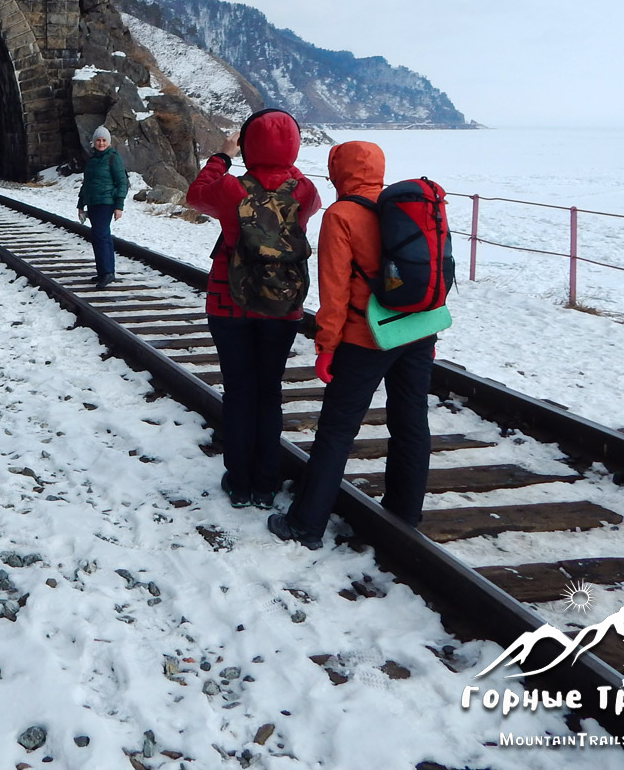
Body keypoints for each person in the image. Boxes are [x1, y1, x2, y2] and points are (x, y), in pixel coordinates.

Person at [268, 140, 436, 549]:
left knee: (336, 431)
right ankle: (404, 514)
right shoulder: (406, 207)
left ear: (340, 171)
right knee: (411, 422)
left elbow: (335, 292)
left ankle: (306, 525)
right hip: (416, 330)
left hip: (366, 337)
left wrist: (326, 346)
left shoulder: (341, 215)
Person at [185, 109, 320, 510]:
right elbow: (288, 188)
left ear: (247, 144)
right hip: (282, 306)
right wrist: (280, 162)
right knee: (269, 391)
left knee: (240, 391)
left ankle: (239, 482)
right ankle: (266, 483)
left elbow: (195, 194)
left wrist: (223, 157)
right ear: (293, 144)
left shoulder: (230, 189)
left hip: (229, 302)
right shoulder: (306, 190)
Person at [77, 125, 127, 290]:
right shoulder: (92, 160)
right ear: (94, 142)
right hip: (93, 203)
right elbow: (87, 184)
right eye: (98, 140)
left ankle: (106, 273)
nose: (101, 143)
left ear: (109, 142)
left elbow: (122, 183)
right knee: (101, 236)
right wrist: (80, 204)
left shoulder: (113, 158)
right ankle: (105, 272)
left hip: (106, 202)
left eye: (104, 140)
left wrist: (118, 206)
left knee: (100, 235)